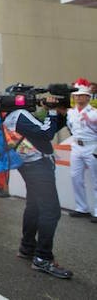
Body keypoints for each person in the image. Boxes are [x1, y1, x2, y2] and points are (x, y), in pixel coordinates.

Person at [0, 94, 73, 278]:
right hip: (37, 165)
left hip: (30, 164)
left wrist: (58, 114)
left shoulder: (13, 116)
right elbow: (46, 133)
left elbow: (44, 129)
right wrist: (52, 110)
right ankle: (43, 258)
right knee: (51, 211)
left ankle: (27, 247)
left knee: (34, 206)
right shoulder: (19, 115)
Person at [66, 83, 97, 222]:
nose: (78, 98)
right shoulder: (71, 112)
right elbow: (71, 128)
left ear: (88, 97)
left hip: (92, 146)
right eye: (76, 95)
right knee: (75, 177)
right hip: (76, 146)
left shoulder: (94, 112)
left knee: (96, 179)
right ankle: (81, 207)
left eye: (81, 95)